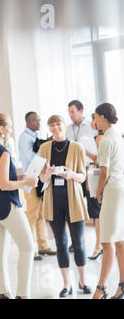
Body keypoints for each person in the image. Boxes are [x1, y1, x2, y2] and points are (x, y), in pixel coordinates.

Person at [0, 113, 37, 299]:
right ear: (1, 129)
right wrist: (25, 182)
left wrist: (23, 179)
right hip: (7, 206)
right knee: (28, 247)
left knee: (0, 251)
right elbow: (4, 184)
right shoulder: (3, 152)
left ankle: (3, 292)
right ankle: (23, 295)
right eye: (10, 126)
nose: (11, 130)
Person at [38, 115, 91, 297]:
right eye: (51, 124)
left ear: (64, 125)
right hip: (53, 200)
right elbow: (40, 177)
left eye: (58, 123)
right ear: (49, 128)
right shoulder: (44, 148)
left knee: (79, 242)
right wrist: (47, 174)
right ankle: (66, 284)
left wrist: (71, 175)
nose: (55, 127)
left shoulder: (76, 147)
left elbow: (83, 176)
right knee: (60, 243)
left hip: (73, 199)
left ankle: (83, 282)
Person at [92, 103, 124, 299]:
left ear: (103, 117)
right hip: (122, 187)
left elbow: (103, 172)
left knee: (107, 242)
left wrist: (98, 192)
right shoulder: (118, 135)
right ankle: (121, 286)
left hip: (112, 189)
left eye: (96, 117)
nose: (94, 121)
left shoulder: (105, 140)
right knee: (120, 241)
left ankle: (101, 288)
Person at [18, 112, 56, 261]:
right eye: (34, 120)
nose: (38, 122)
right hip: (31, 179)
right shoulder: (25, 138)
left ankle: (43, 245)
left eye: (39, 120)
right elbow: (32, 158)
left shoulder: (35, 137)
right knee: (31, 215)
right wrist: (45, 146)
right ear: (27, 121)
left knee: (41, 214)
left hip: (41, 179)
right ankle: (31, 249)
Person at [66, 100, 99, 253]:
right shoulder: (68, 129)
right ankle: (77, 242)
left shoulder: (92, 127)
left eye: (73, 111)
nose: (71, 115)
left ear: (81, 110)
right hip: (74, 171)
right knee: (75, 207)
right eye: (69, 112)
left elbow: (97, 152)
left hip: (89, 169)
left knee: (94, 207)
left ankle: (99, 244)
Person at [87, 113, 103, 261]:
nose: (92, 122)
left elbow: (100, 159)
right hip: (97, 176)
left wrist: (84, 152)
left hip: (98, 179)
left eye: (93, 119)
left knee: (97, 214)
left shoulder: (99, 138)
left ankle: (98, 246)